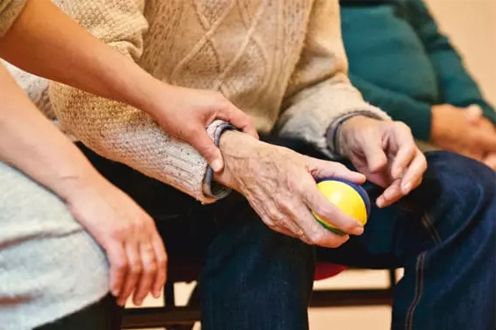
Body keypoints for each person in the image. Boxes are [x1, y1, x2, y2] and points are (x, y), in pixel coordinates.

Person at [12, 0, 495, 329]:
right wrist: (239, 159)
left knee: (469, 193)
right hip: (108, 151)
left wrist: (354, 127)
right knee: (271, 207)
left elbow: (314, 81)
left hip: (255, 150)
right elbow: (85, 100)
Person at [0, 0, 255, 328]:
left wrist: (161, 97)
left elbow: (11, 15)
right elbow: (74, 99)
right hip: (68, 138)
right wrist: (88, 189)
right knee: (69, 268)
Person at [340, 0, 496, 169]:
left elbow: (435, 45)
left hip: (449, 131)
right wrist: (429, 122)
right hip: (369, 139)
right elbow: (323, 82)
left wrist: (480, 118)